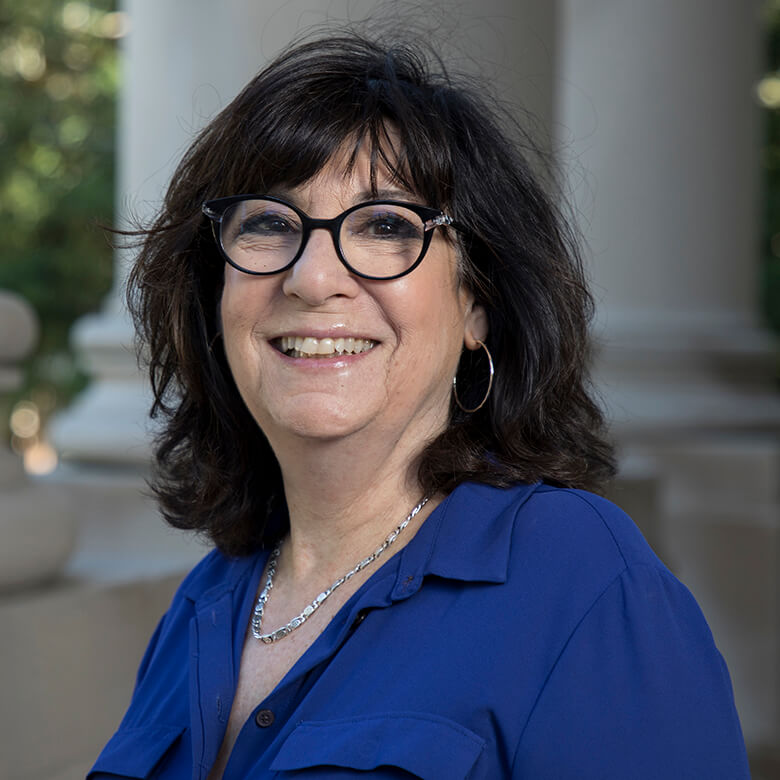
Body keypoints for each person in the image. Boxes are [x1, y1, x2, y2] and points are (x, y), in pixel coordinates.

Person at [89, 32, 750, 779]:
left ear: (478, 305)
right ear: (215, 294)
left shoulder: (582, 580)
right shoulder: (203, 605)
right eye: (268, 223)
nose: (312, 279)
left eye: (385, 226)